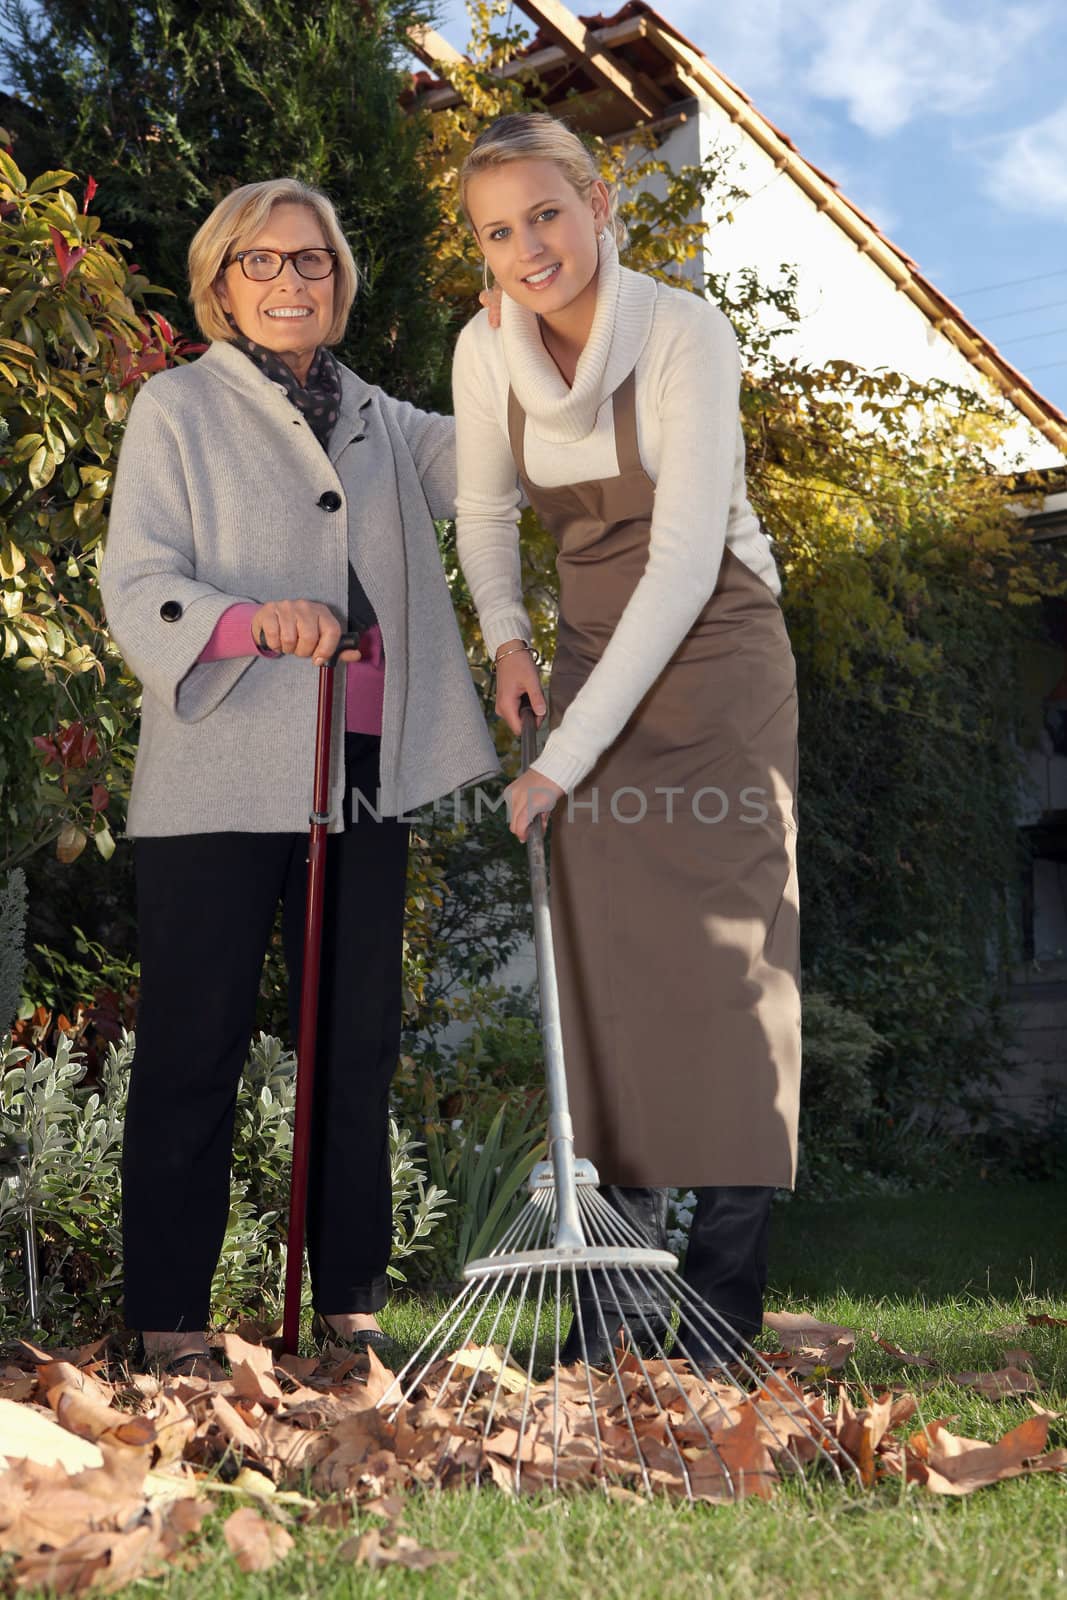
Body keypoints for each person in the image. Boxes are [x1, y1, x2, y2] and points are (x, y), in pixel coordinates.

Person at [100, 178, 497, 1376]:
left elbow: (492, 463)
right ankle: (169, 1319)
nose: (288, 283)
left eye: (310, 262)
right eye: (261, 264)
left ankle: (352, 1309)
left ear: (339, 280)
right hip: (217, 775)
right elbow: (137, 579)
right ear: (221, 284)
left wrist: (514, 342)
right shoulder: (176, 407)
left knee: (354, 1046)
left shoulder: (381, 416)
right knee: (192, 1043)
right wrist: (241, 619)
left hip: (358, 774)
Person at [452, 114, 800, 1366]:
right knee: (606, 977)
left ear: (600, 204)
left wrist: (559, 759)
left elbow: (681, 557)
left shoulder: (681, 331)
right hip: (593, 656)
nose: (527, 246)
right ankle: (617, 1320)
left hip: (716, 653)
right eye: (498, 230)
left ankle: (719, 1316)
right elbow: (486, 512)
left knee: (723, 964)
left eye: (545, 212)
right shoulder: (486, 350)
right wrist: (505, 639)